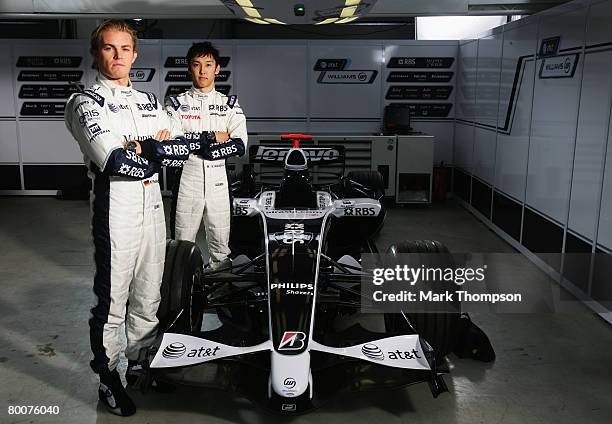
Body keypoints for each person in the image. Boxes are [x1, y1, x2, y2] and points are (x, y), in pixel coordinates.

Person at [64, 20, 210, 416]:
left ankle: (143, 362)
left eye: (125, 48)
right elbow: (115, 161)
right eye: (109, 48)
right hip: (116, 210)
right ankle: (109, 377)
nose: (118, 56)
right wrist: (152, 149)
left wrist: (146, 148)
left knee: (149, 294)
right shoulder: (84, 102)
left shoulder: (148, 100)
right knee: (112, 301)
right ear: (96, 52)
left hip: (152, 207)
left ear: (135, 53)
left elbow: (180, 151)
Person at [165, 42, 248, 270]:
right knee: (181, 245)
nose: (203, 71)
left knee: (221, 245)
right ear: (189, 69)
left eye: (208, 65)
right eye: (197, 65)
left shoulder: (229, 105)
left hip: (219, 181)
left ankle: (221, 289)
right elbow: (175, 143)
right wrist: (216, 136)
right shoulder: (176, 104)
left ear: (217, 69)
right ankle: (182, 295)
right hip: (187, 179)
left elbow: (239, 145)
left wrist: (198, 142)